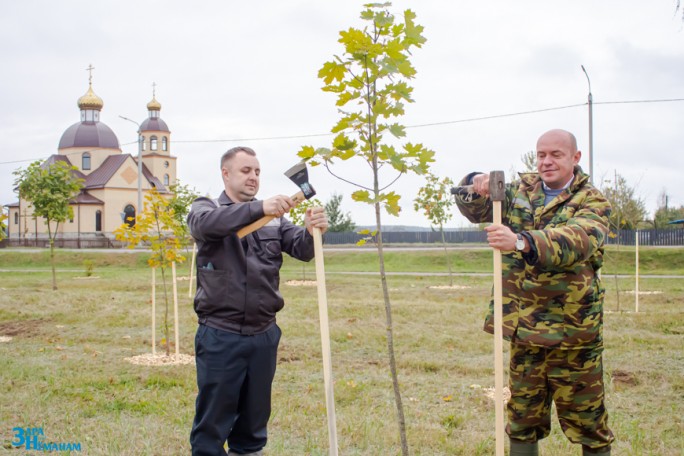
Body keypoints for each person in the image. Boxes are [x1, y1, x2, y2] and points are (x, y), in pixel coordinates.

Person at [453, 129, 614, 456]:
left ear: (575, 158)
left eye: (556, 154)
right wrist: (477, 181)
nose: (547, 161)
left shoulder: (592, 201)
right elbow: (473, 207)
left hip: (574, 336)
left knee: (589, 426)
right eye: (541, 155)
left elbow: (577, 241)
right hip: (526, 331)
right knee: (522, 421)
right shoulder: (518, 193)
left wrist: (521, 241)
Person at [187, 146, 328, 456]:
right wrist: (261, 207)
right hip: (221, 334)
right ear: (226, 173)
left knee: (253, 425)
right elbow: (206, 226)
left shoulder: (275, 220)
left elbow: (302, 249)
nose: (253, 177)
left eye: (257, 171)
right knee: (212, 425)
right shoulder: (206, 208)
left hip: (264, 334)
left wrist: (311, 231)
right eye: (245, 170)